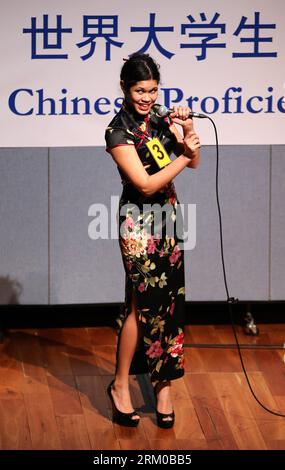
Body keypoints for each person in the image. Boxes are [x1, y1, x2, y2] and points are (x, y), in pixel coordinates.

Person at [104, 53, 200, 428]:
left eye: (153, 90)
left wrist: (187, 132)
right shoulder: (118, 131)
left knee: (172, 303)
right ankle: (120, 385)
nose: (147, 97)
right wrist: (186, 155)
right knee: (141, 304)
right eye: (140, 90)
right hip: (139, 224)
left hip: (169, 218)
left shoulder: (161, 118)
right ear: (125, 89)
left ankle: (164, 387)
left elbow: (193, 163)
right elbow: (144, 184)